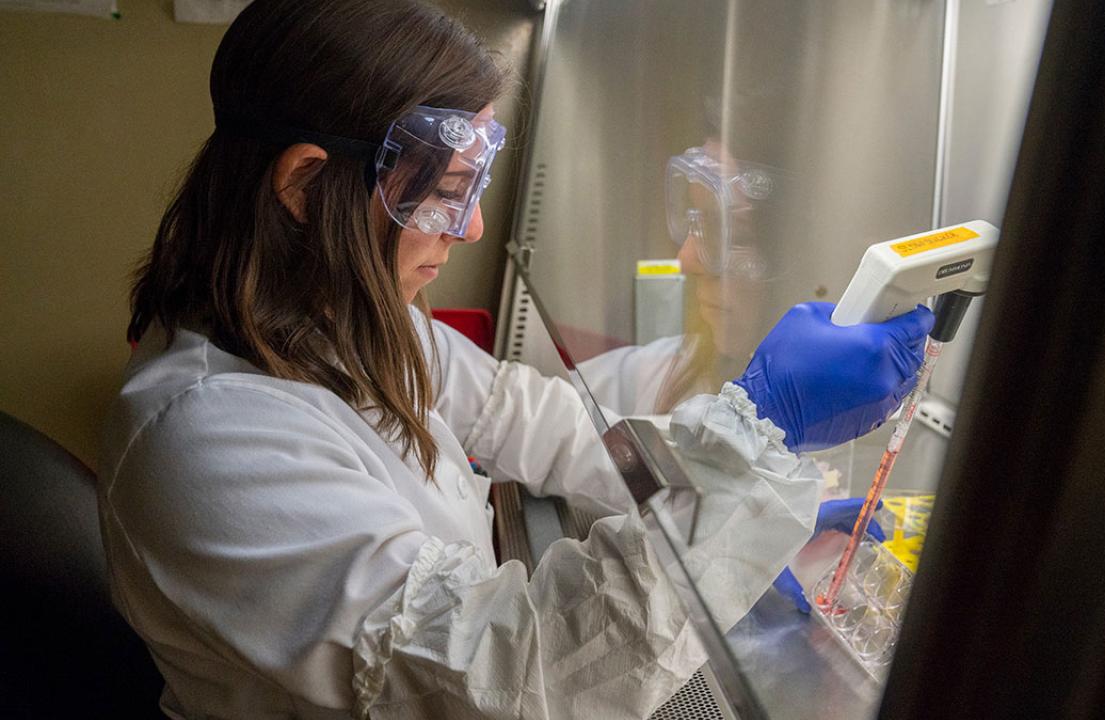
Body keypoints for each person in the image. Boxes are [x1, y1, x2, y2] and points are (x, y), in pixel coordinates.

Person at [97, 1, 933, 718]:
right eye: (442, 191)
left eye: (476, 184)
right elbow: (504, 682)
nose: (467, 230)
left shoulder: (339, 323)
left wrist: (738, 484)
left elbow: (548, 425)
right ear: (306, 187)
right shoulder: (207, 444)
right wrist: (753, 445)